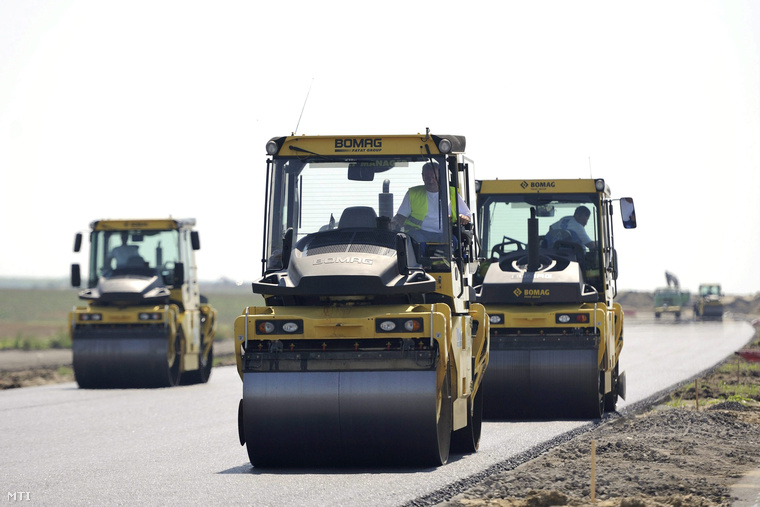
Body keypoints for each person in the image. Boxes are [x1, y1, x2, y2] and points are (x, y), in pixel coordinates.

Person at [391, 162, 471, 243]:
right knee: (413, 241)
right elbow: (400, 216)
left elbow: (467, 216)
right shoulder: (413, 193)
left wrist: (463, 218)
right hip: (418, 233)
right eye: (427, 177)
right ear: (422, 177)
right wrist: (393, 223)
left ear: (440, 176)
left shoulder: (452, 193)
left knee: (453, 241)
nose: (431, 181)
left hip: (443, 234)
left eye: (434, 177)